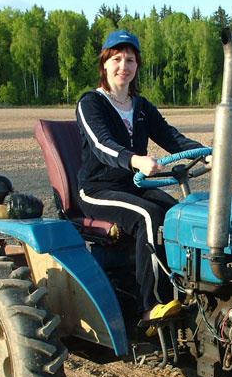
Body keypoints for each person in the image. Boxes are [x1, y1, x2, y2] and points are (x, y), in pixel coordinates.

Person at [75, 30, 206, 329]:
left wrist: (204, 153)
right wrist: (136, 160)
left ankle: (186, 292)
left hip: (134, 185)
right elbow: (101, 144)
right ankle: (150, 307)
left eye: (130, 60)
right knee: (149, 216)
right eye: (117, 59)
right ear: (105, 64)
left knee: (177, 214)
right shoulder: (91, 103)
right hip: (98, 189)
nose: (124, 66)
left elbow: (171, 137)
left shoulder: (141, 106)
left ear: (137, 66)